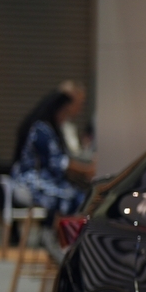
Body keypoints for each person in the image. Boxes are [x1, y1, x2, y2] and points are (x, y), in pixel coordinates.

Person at [11, 82, 93, 259]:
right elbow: (58, 162)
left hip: (42, 179)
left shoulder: (48, 129)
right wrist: (86, 169)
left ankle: (66, 244)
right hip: (29, 181)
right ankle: (60, 243)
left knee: (79, 196)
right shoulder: (41, 129)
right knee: (70, 197)